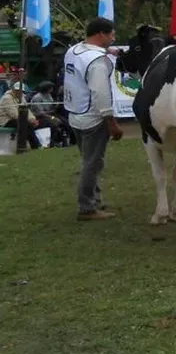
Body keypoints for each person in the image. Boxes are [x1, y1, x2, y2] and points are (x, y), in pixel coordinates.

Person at [63, 16, 122, 220]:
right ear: (101, 34)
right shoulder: (98, 61)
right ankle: (86, 207)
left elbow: (87, 56)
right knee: (92, 164)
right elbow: (101, 94)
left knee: (89, 160)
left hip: (75, 114)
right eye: (111, 34)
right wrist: (111, 122)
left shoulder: (73, 51)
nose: (113, 38)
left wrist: (108, 51)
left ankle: (93, 200)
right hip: (94, 118)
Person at [0, 81, 42, 150]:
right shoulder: (6, 98)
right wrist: (29, 120)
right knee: (25, 124)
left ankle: (48, 143)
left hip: (18, 119)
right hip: (6, 121)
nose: (19, 92)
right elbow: (14, 114)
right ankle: (35, 146)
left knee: (43, 121)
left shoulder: (21, 97)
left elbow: (27, 110)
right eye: (17, 90)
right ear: (13, 89)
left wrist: (33, 119)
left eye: (20, 90)